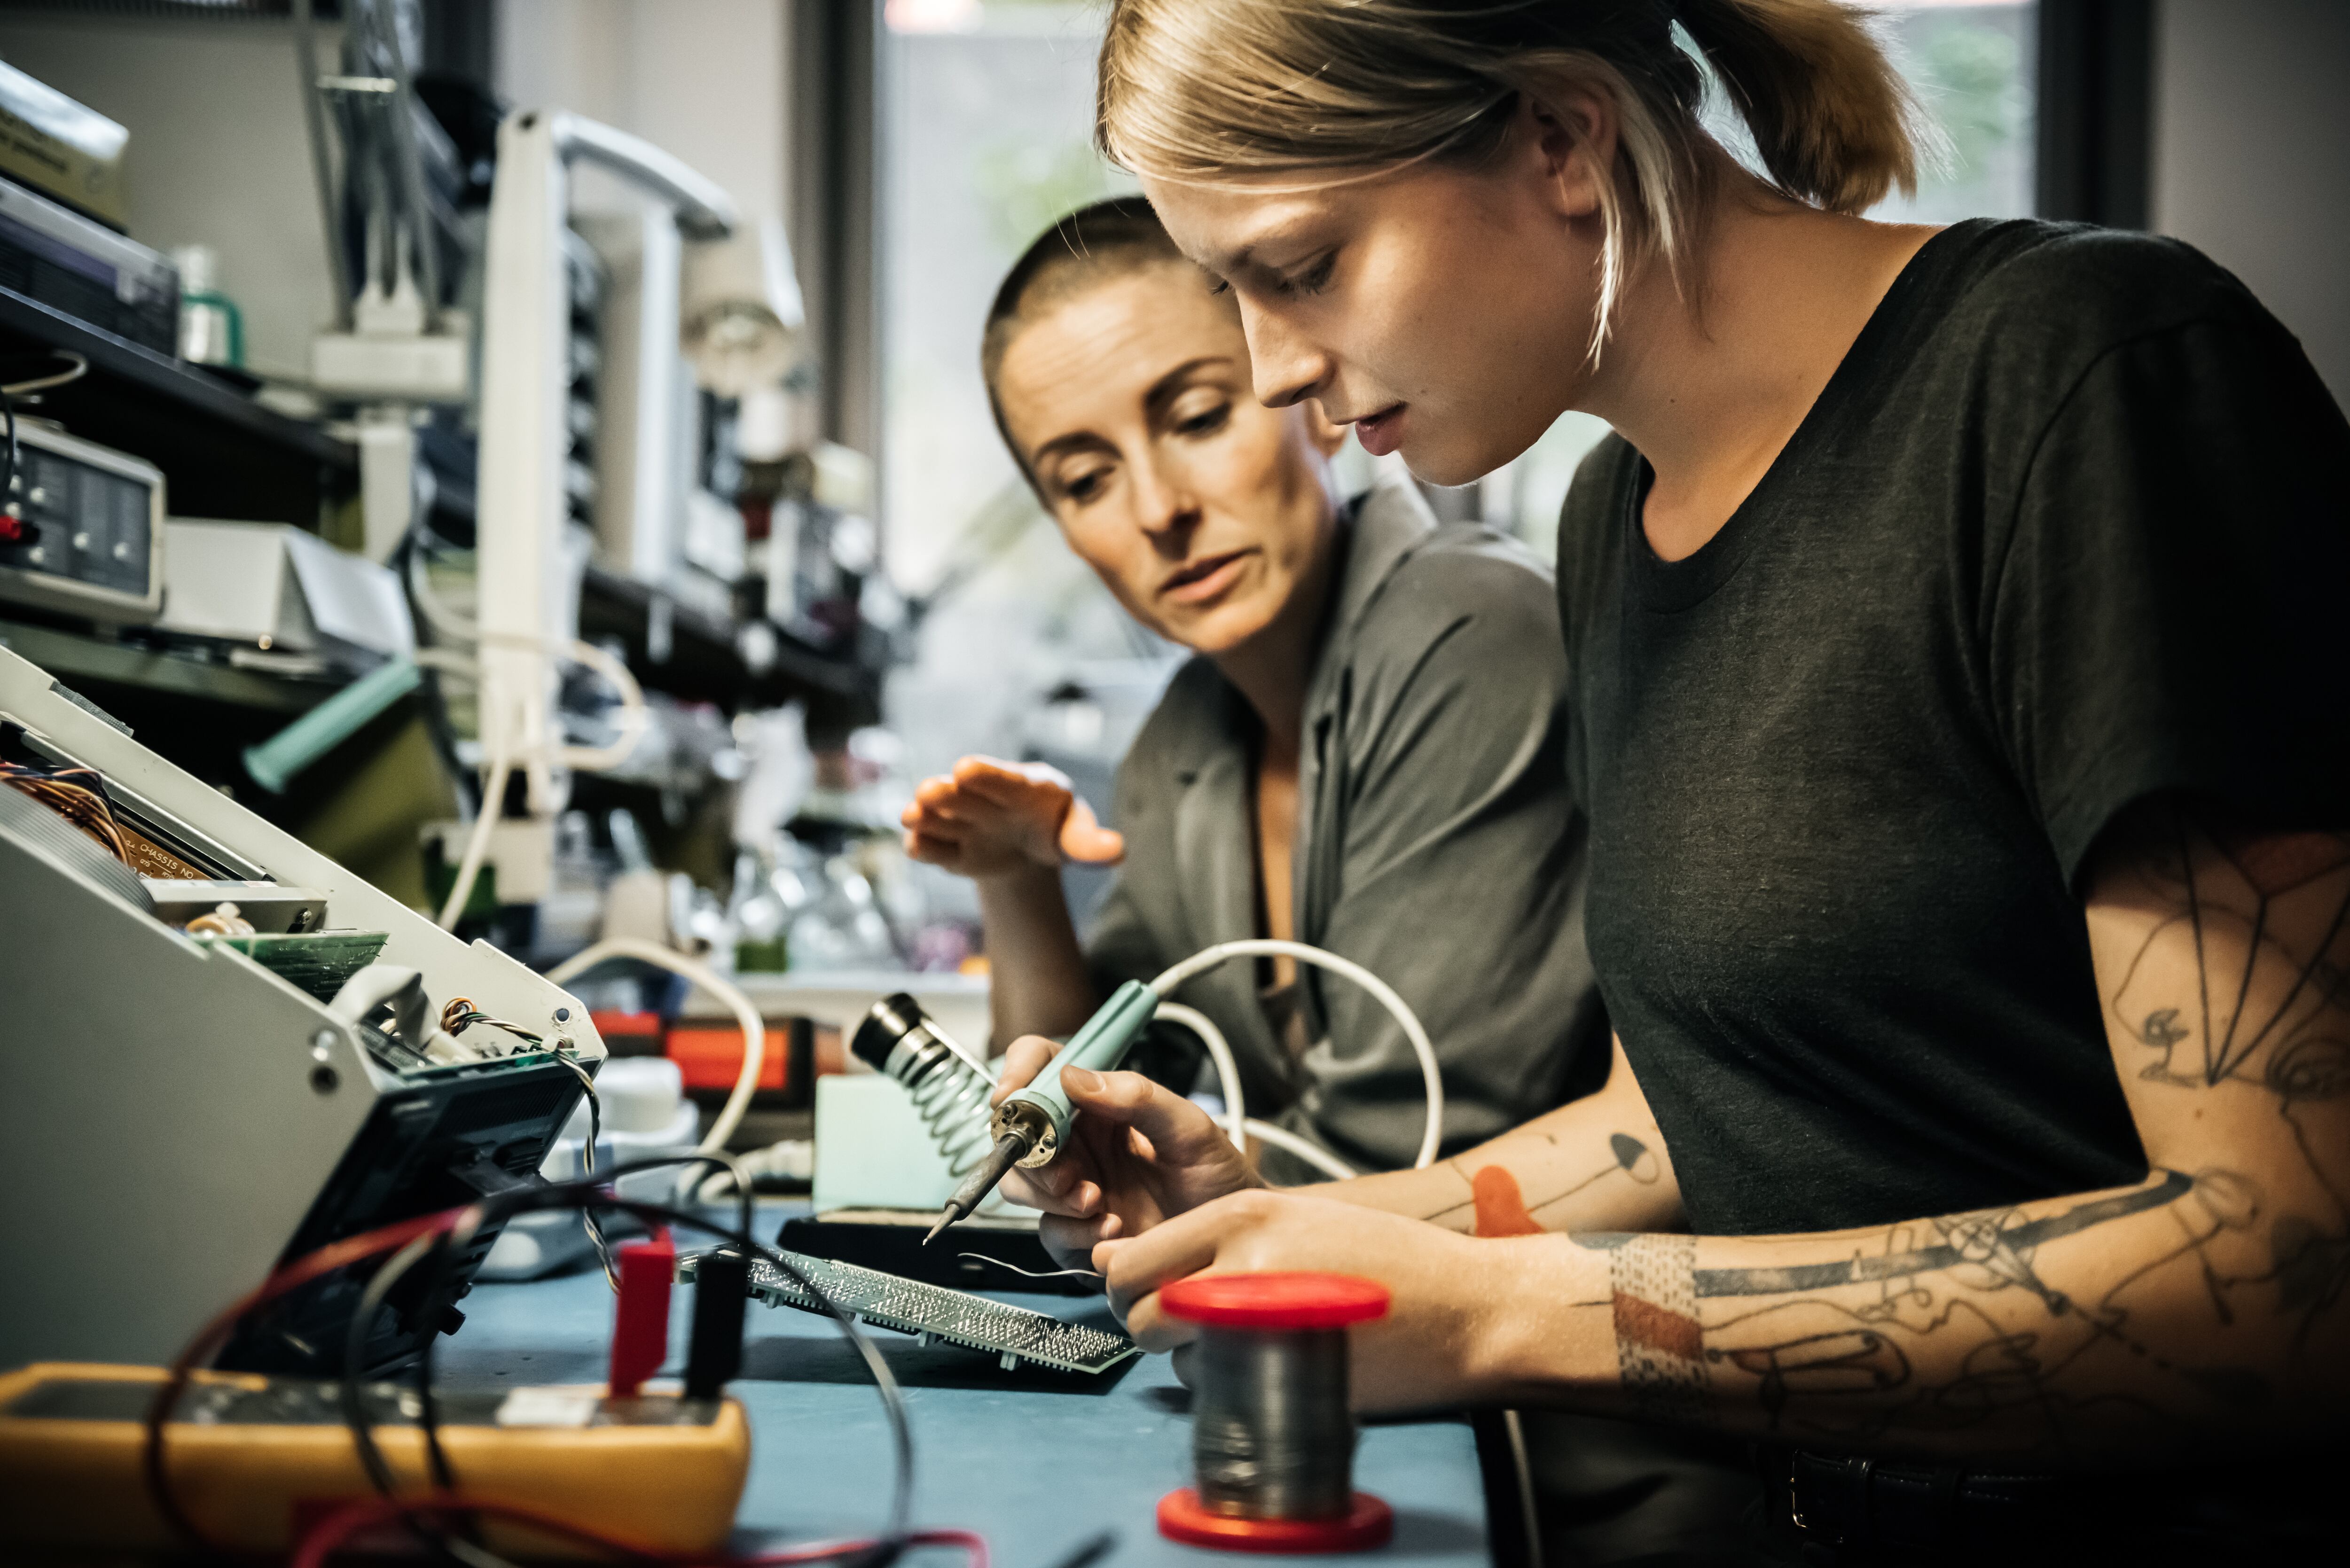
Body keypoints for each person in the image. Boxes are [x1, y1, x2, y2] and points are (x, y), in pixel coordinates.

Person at [989, 0, 2350, 1559]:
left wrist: (1514, 1312)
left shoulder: (2079, 378)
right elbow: (1684, 1122)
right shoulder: (1613, 523)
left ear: (1563, 138)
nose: (1278, 369)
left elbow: (2298, 1268)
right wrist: (1304, 1228)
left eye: (1300, 272)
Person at [901, 197, 1611, 1183]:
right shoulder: (1182, 740)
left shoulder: (1472, 629)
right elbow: (1067, 1119)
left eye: (1196, 419)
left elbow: (1403, 1151)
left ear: (1310, 394)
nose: (1158, 510)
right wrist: (1015, 879)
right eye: (1085, 479)